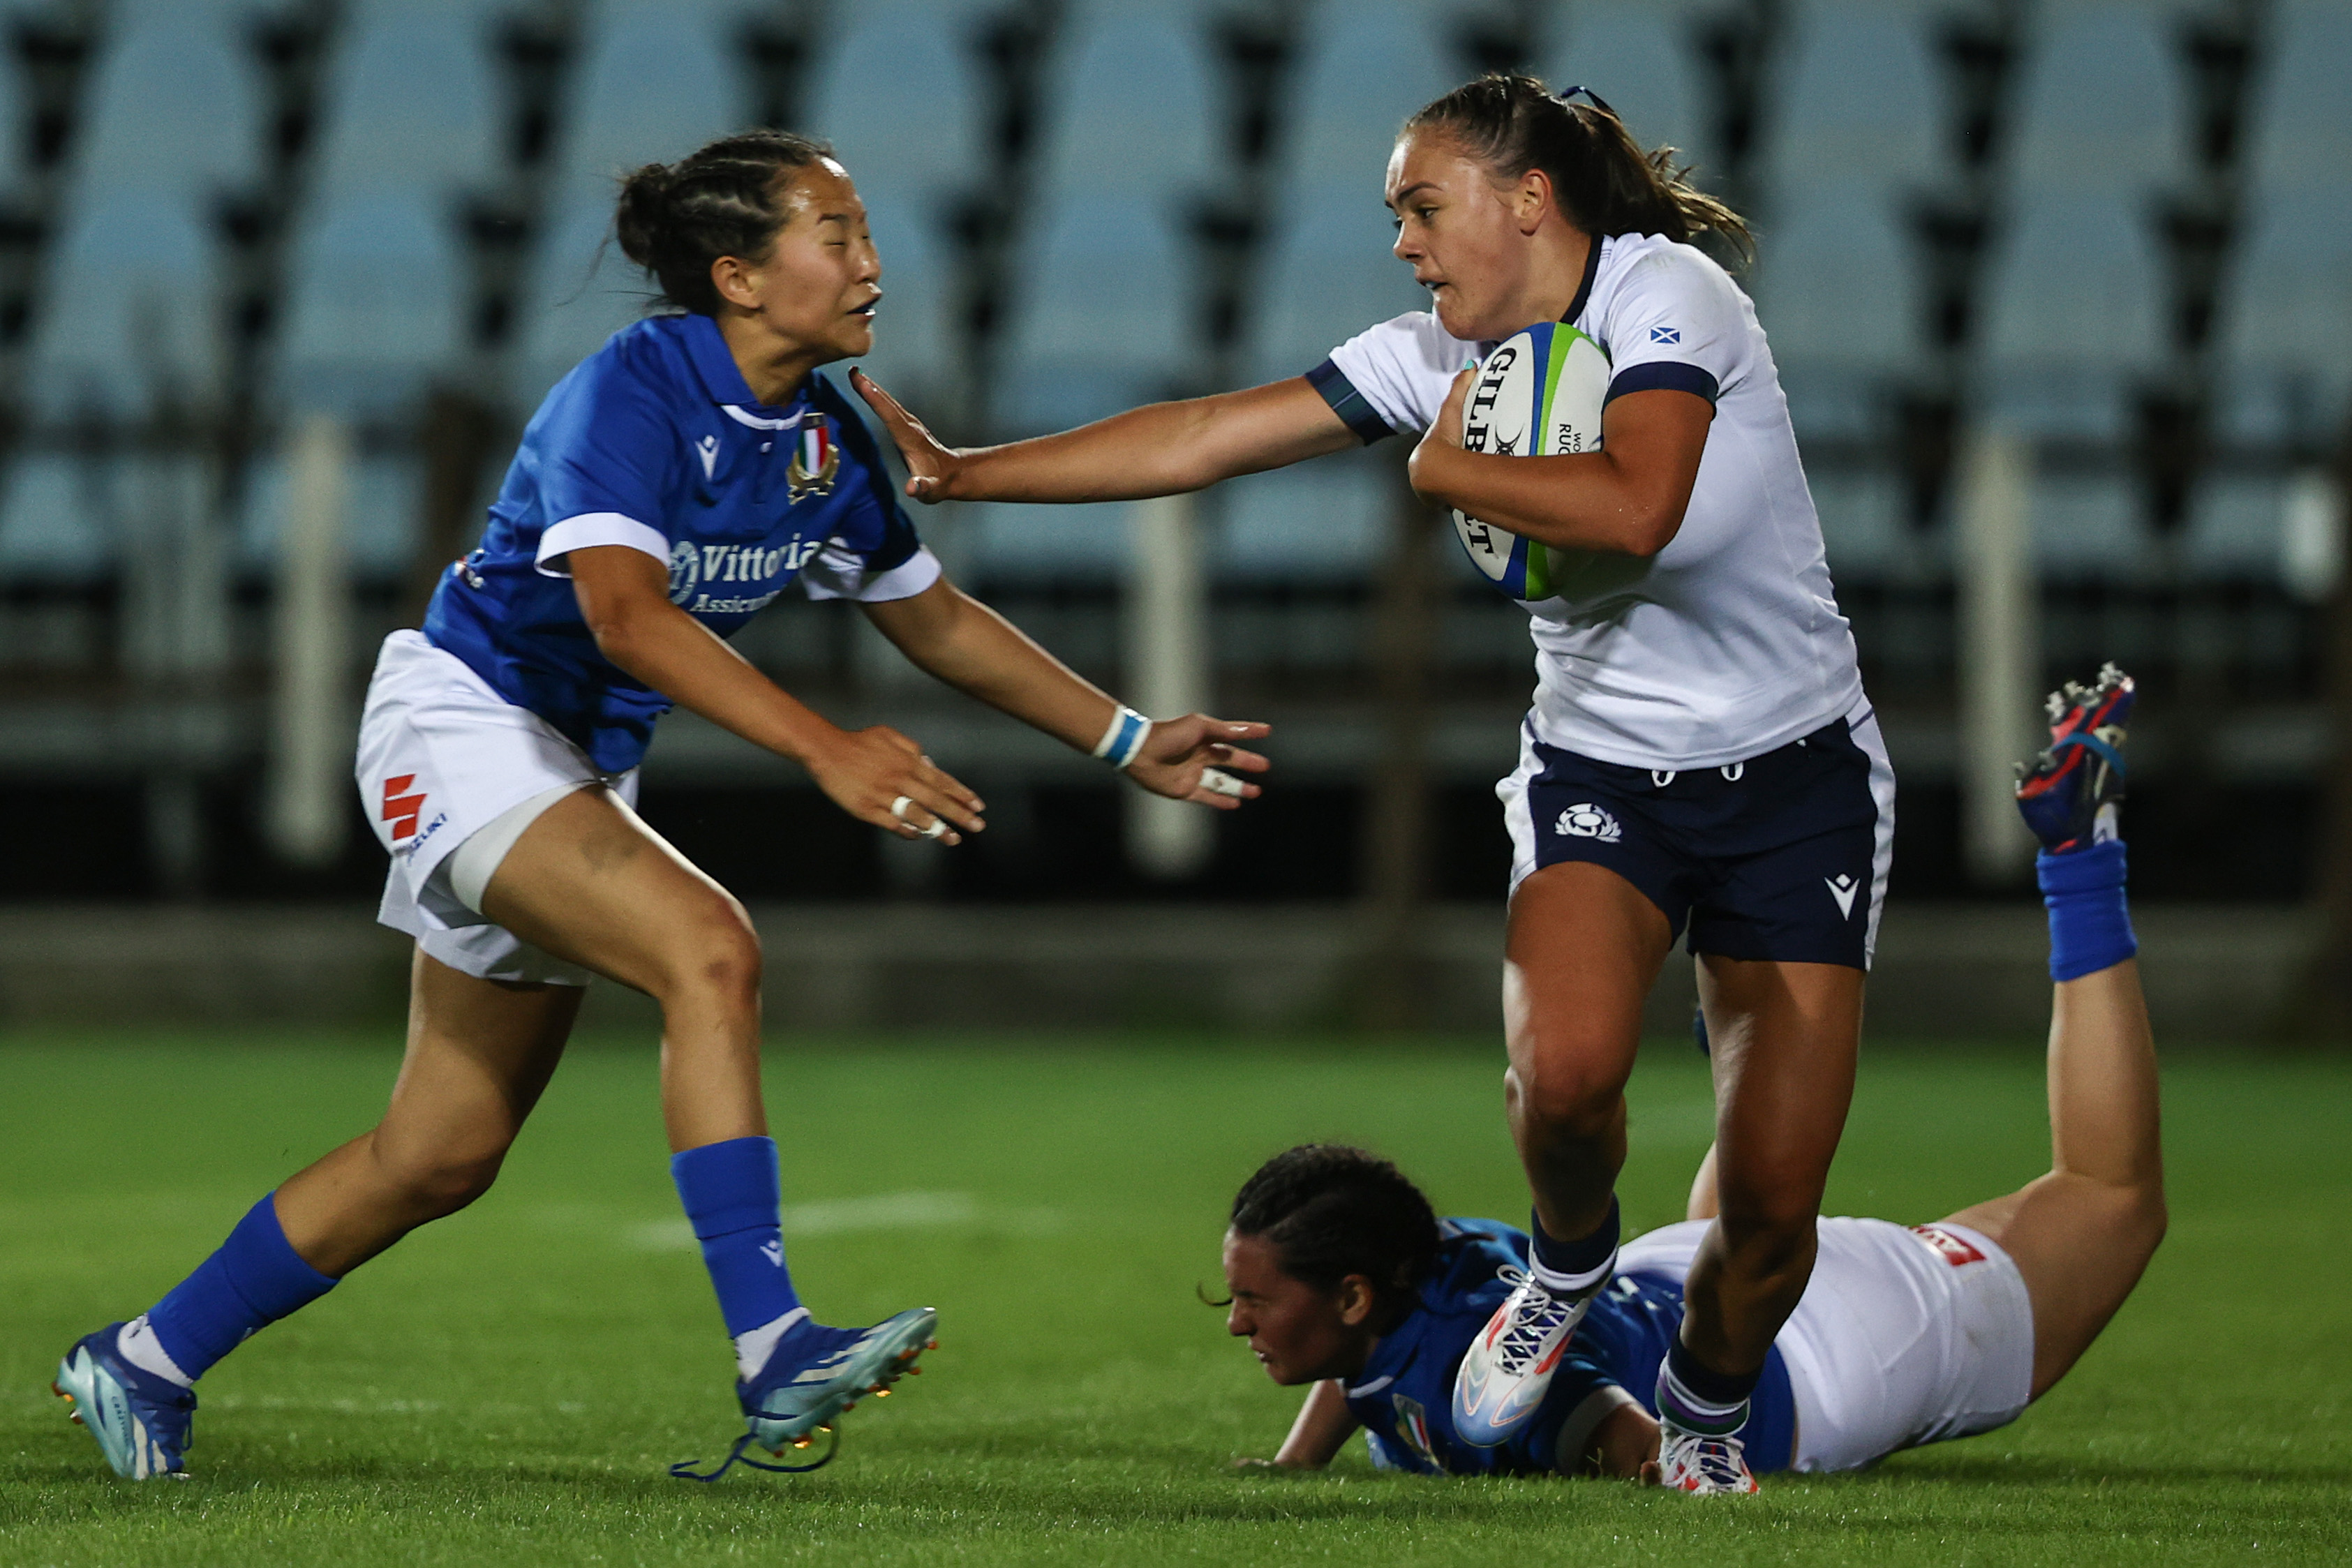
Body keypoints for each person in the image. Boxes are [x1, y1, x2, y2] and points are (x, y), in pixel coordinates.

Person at [50, 129, 1271, 1483]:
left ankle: (142, 1356)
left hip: (569, 763)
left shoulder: (823, 434)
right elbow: (623, 619)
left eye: (865, 232)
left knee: (441, 1148)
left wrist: (1126, 736)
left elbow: (933, 621)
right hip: (464, 719)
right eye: (837, 232)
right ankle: (772, 1344)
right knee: (710, 947)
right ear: (738, 275)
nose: (871, 262)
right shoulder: (628, 391)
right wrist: (821, 746)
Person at [854, 75, 1888, 1488]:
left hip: (1794, 778)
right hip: (1601, 770)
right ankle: (1563, 1267)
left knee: (1770, 1211)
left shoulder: (1669, 298)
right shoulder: (1435, 355)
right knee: (1566, 1074)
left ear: (1528, 199)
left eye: (1421, 204)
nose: (1401, 241)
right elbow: (1209, 431)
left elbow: (1636, 508)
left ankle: (1704, 1409)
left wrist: (1443, 467)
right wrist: (966, 474)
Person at [1216, 669, 2158, 1486]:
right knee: (1750, 1210)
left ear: (1348, 1295)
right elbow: (1370, 1369)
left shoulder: (1484, 1385)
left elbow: (1625, 1444)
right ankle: (1746, 1031)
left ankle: (2079, 860)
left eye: (1252, 1302)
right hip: (1680, 1272)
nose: (1238, 1323)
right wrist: (1298, 1461)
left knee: (2110, 1199)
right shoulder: (1410, 1268)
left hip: (1823, 1353)